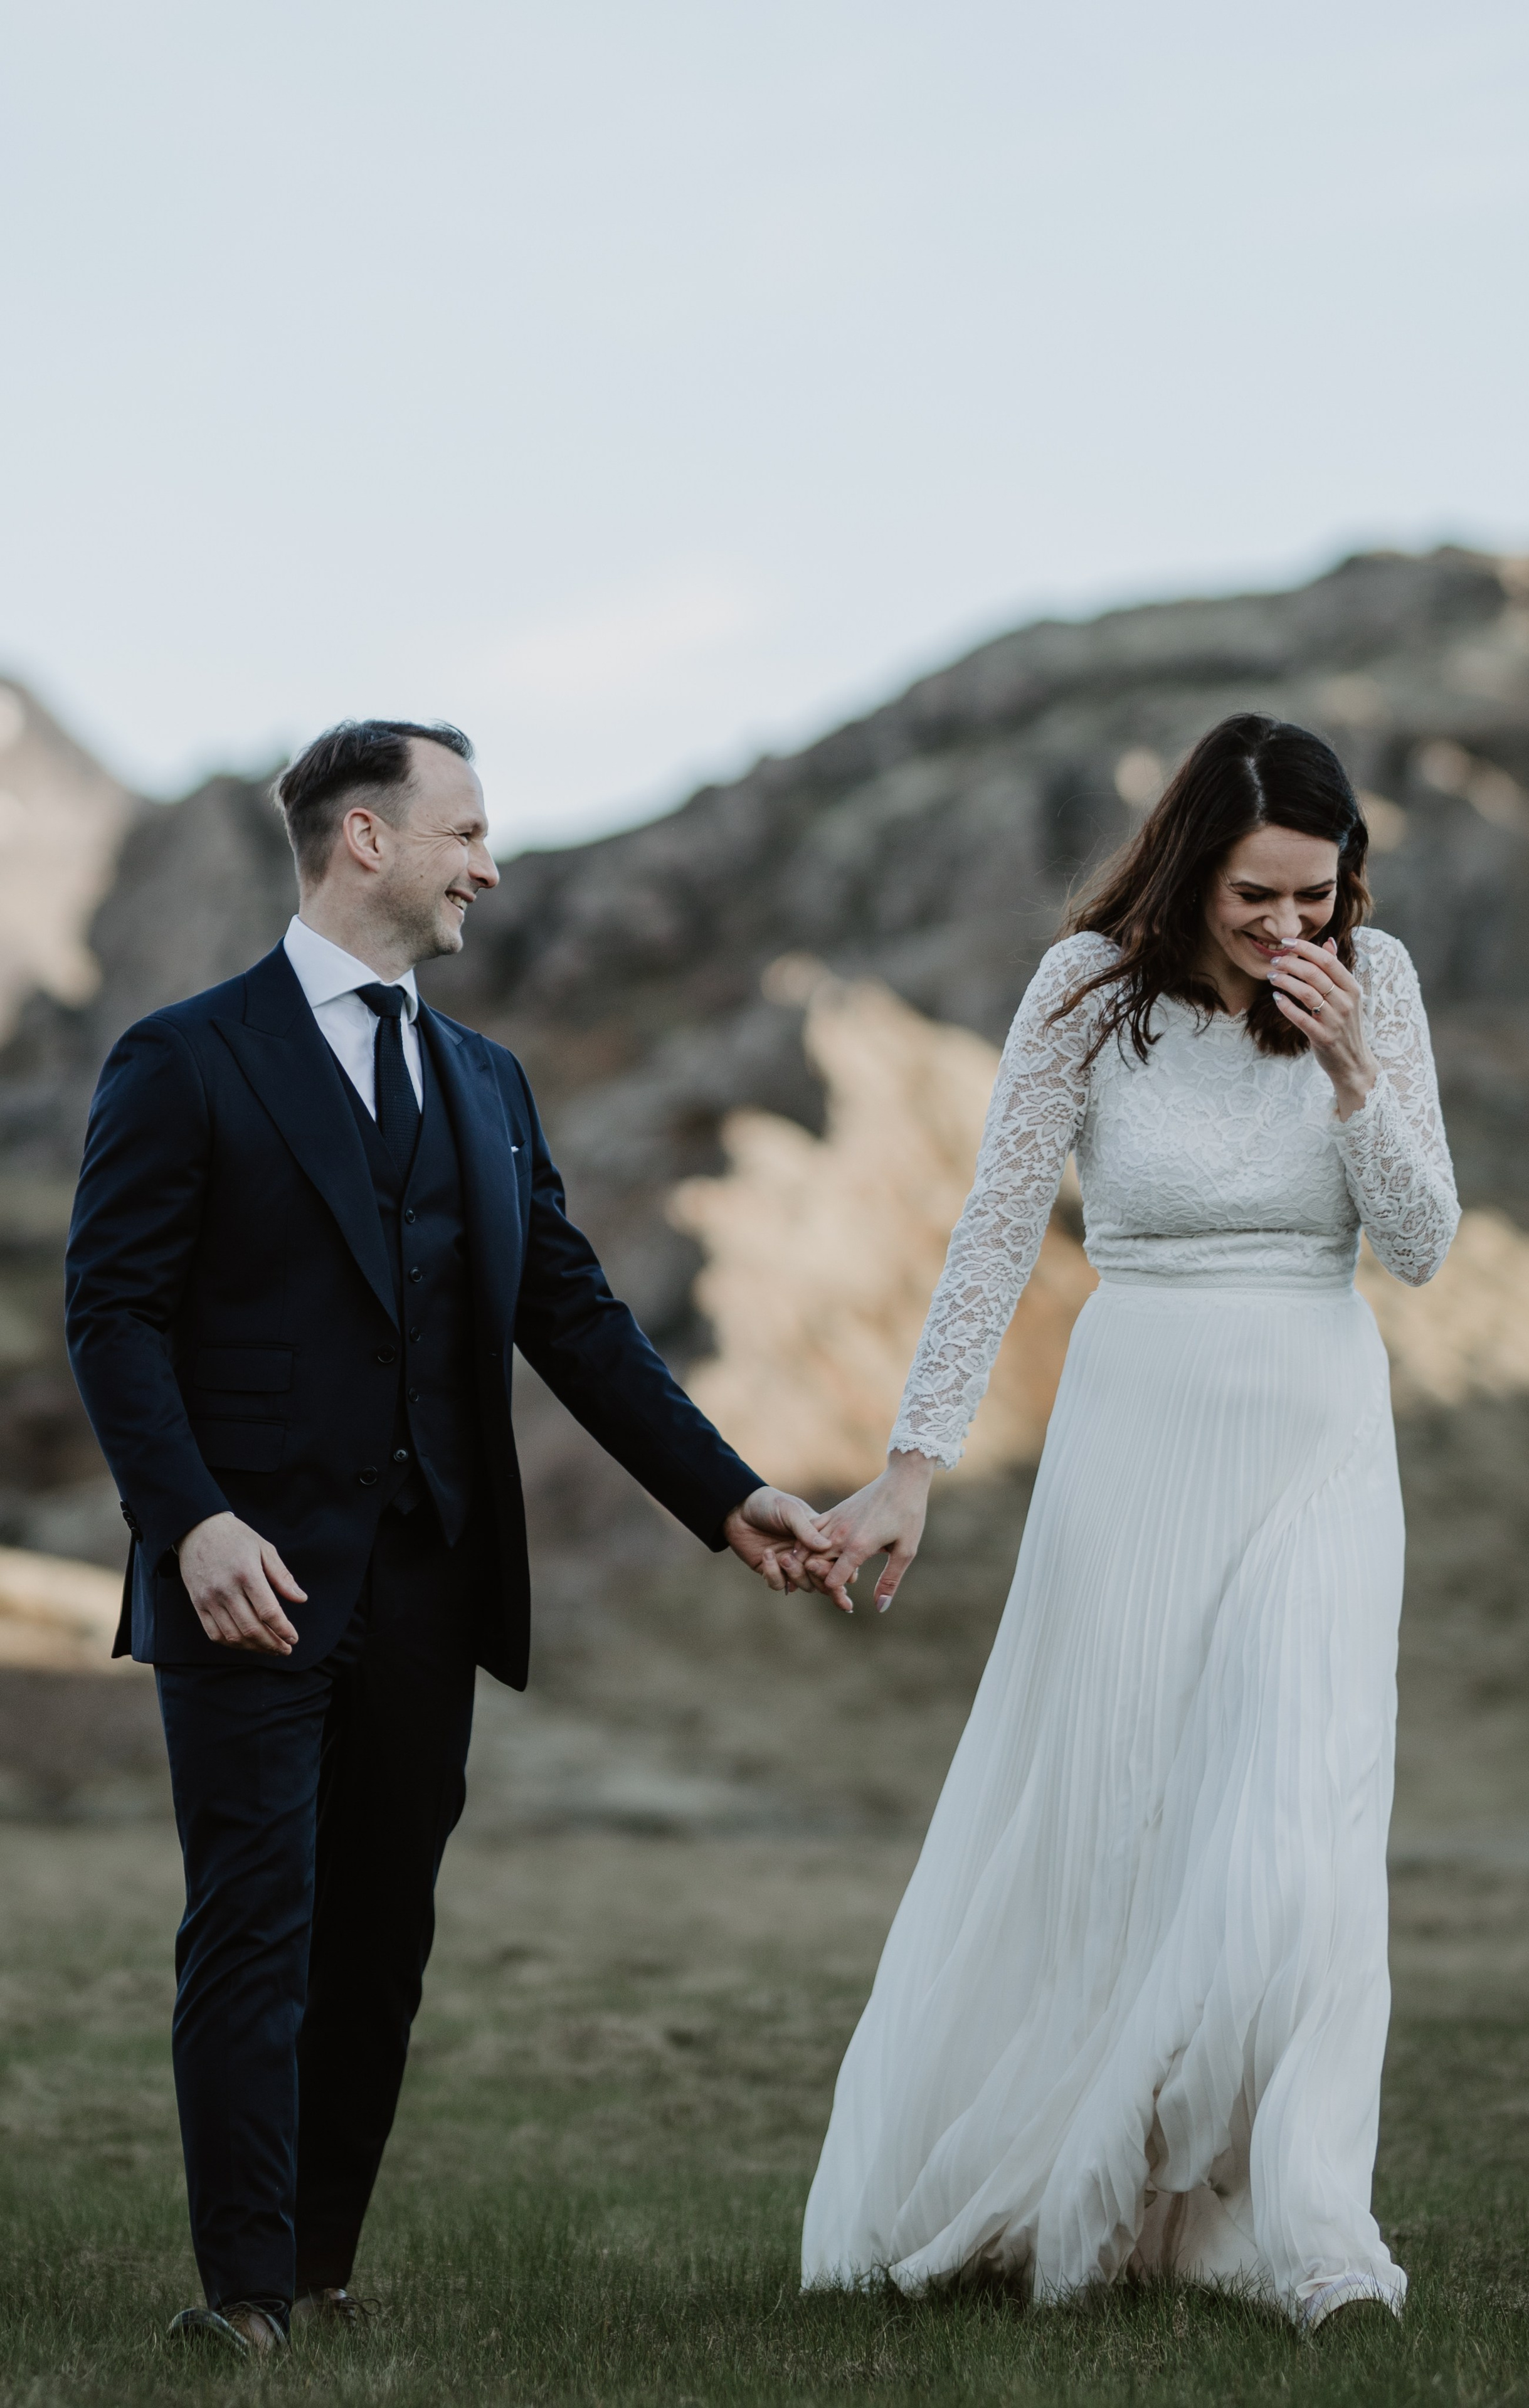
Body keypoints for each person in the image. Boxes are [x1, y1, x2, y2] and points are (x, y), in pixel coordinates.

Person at [64, 719, 829, 2360]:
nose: (490, 864)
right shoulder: (184, 1056)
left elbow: (579, 1322)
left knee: (382, 1933)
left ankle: (321, 2264)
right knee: (253, 1923)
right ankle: (246, 2295)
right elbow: (112, 1317)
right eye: (465, 831)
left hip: (427, 1579)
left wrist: (729, 1491)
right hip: (245, 1582)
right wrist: (188, 1520)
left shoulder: (486, 1084)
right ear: (364, 839)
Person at [798, 713, 1459, 2332]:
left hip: (1316, 1432)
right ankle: (1095, 2180)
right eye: (1258, 899)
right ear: (1188, 869)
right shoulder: (1084, 996)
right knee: (1125, 1824)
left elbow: (1426, 1242)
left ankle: (1312, 2230)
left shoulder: (1379, 989)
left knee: (1299, 1823)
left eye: (1320, 897)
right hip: (1136, 1440)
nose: (1293, 930)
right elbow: (996, 1230)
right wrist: (912, 1459)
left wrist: (1360, 1078)